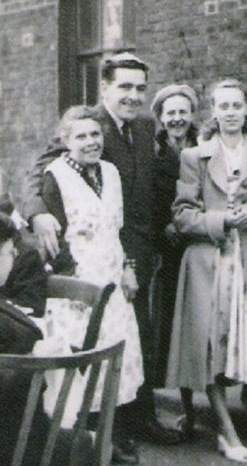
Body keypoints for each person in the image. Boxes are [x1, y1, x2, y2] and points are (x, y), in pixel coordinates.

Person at [22, 53, 182, 462]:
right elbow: (39, 174)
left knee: (134, 341)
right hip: (87, 260)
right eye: (124, 87)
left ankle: (138, 417)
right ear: (105, 88)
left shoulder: (147, 127)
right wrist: (38, 212)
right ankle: (102, 434)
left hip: (131, 253)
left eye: (140, 88)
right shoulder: (85, 124)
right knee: (96, 342)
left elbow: (153, 185)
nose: (133, 95)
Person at [166, 79, 247, 462]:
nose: (230, 112)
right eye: (222, 106)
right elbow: (182, 215)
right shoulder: (196, 156)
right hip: (210, 260)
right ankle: (225, 429)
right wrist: (222, 219)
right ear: (213, 112)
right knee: (210, 343)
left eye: (236, 105)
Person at [39, 105, 146, 462]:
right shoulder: (55, 176)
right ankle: (85, 442)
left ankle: (113, 436)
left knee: (117, 356)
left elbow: (120, 228)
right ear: (66, 141)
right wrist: (77, 286)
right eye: (81, 136)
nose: (90, 142)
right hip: (78, 288)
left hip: (113, 280)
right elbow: (52, 247)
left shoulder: (111, 173)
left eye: (95, 135)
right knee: (84, 360)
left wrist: (128, 268)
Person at [149, 84, 199, 438]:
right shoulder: (153, 154)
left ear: (192, 116)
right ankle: (187, 404)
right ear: (161, 118)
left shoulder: (204, 148)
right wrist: (162, 226)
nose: (177, 119)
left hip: (199, 244)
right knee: (175, 326)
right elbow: (146, 196)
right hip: (168, 249)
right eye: (171, 113)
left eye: (183, 112)